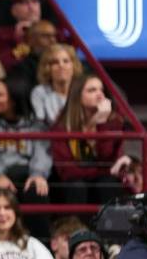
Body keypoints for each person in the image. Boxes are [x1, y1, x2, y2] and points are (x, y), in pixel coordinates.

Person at [0, 78, 52, 237]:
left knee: (38, 189)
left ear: (14, 100)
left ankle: (39, 247)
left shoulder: (36, 127)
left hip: (25, 175)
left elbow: (42, 153)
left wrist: (38, 174)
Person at [50, 74, 125, 204]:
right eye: (92, 90)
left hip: (101, 180)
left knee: (107, 183)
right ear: (77, 95)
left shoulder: (114, 122)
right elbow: (67, 171)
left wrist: (102, 123)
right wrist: (100, 171)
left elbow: (107, 160)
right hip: (74, 183)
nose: (100, 94)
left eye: (101, 90)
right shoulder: (61, 126)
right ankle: (75, 225)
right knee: (77, 186)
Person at [30, 43, 82, 125]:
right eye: (55, 62)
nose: (61, 65)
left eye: (66, 61)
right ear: (48, 68)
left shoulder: (83, 91)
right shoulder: (39, 92)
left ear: (73, 65)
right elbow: (40, 124)